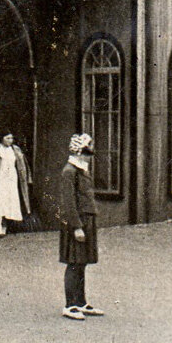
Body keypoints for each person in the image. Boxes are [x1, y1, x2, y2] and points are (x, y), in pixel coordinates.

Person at [58, 133, 104, 321]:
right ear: (79, 152)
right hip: (77, 222)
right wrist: (76, 226)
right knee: (74, 263)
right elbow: (68, 202)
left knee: (82, 262)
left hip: (86, 220)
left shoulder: (80, 170)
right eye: (86, 153)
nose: (89, 157)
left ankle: (81, 302)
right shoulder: (69, 172)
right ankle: (70, 304)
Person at [0, 132, 32, 237]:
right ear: (2, 139)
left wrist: (26, 178)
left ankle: (5, 224)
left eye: (11, 138)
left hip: (12, 179)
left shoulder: (16, 150)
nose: (10, 140)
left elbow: (23, 165)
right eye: (7, 138)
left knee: (10, 201)